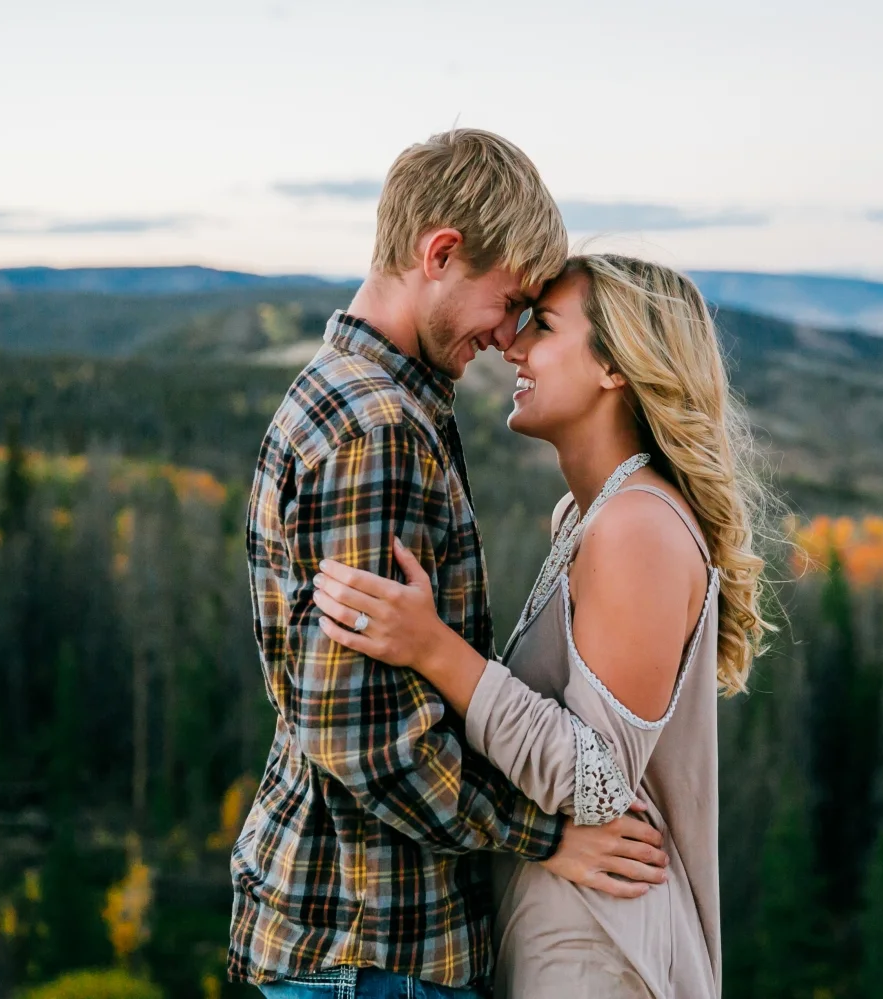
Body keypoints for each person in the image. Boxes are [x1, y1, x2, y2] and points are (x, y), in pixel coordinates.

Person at [229, 131, 671, 999]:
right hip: (376, 943)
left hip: (364, 945)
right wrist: (547, 835)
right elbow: (368, 744)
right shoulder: (377, 430)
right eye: (508, 302)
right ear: (439, 254)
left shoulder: (361, 396)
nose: (507, 337)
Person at [312, 254, 773, 998]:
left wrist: (432, 648)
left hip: (601, 952)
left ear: (616, 367)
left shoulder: (635, 526)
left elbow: (599, 780)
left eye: (545, 327)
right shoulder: (590, 516)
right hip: (565, 933)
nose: (513, 345)